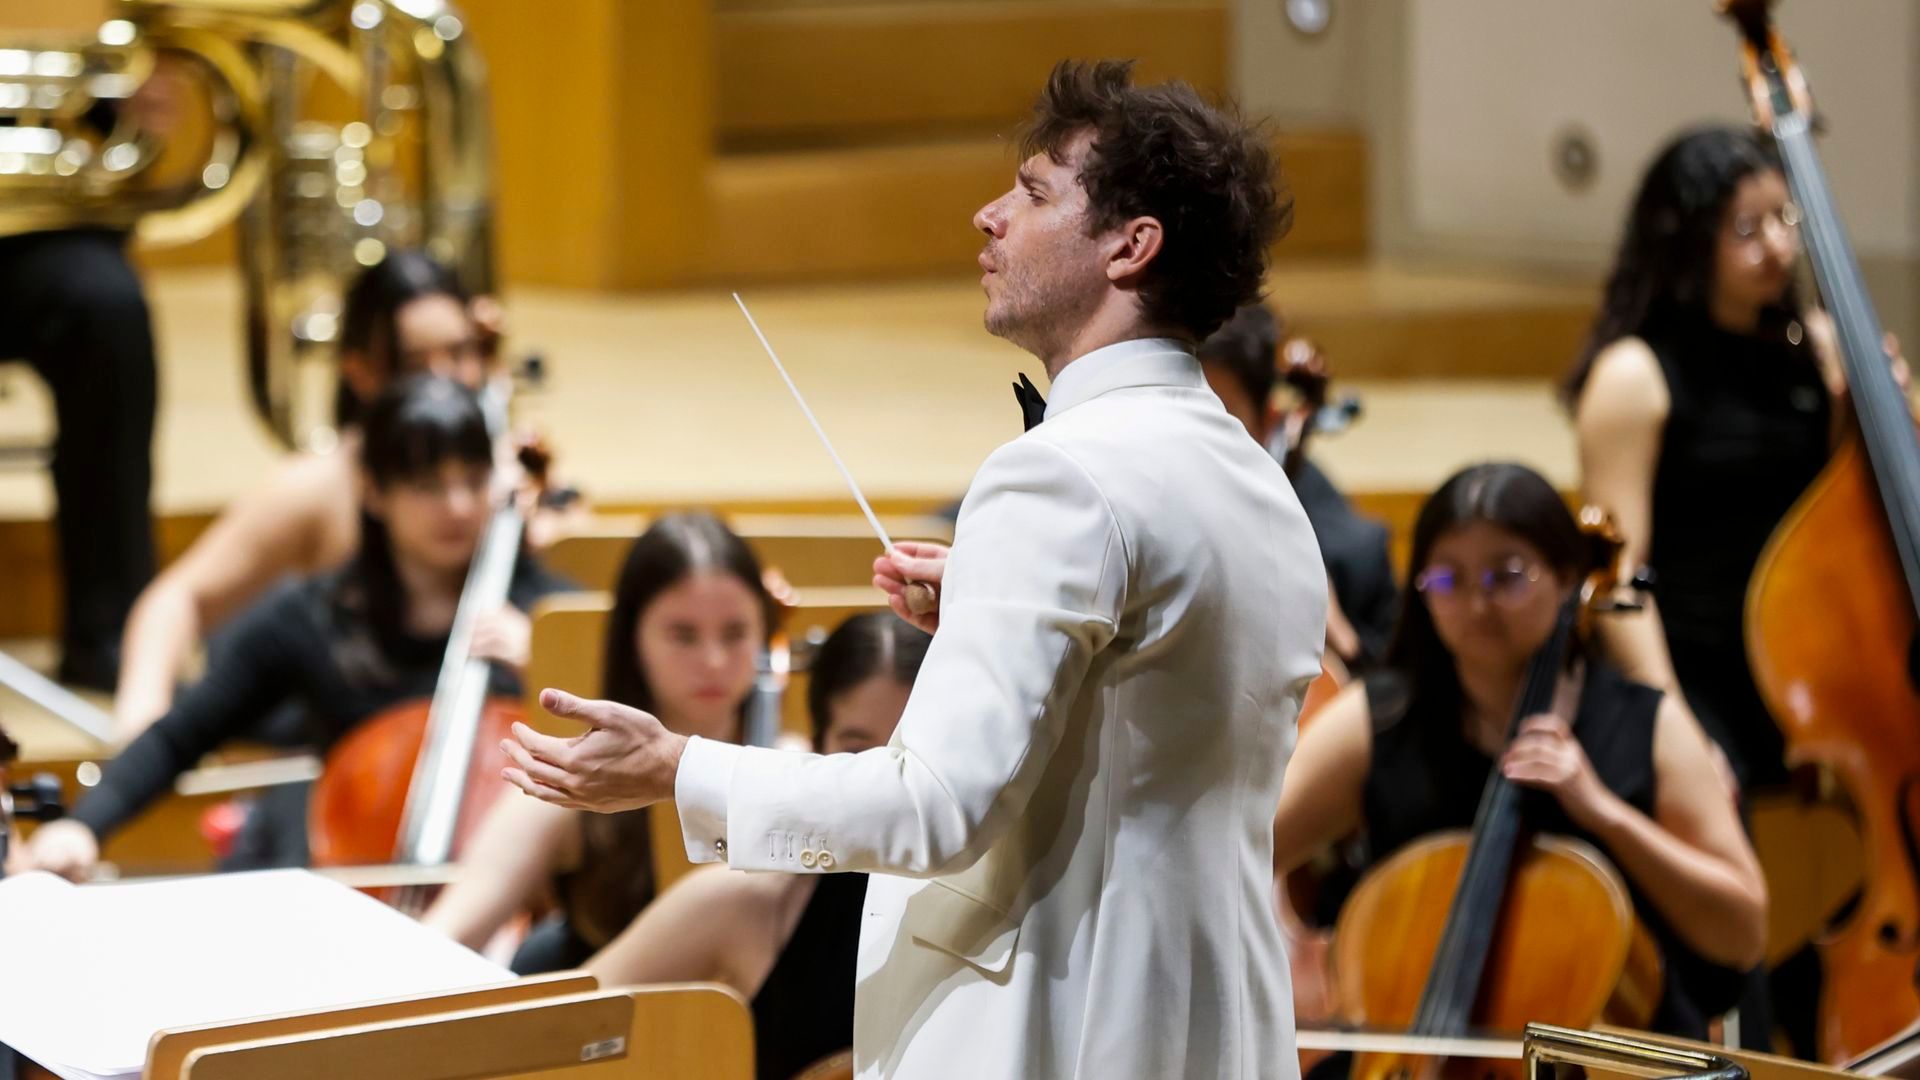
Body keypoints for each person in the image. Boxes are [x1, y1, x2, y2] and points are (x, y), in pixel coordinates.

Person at [503, 59, 1326, 1079]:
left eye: (1031, 194)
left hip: (1059, 1031)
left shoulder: (1061, 477)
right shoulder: (1257, 479)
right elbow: (1153, 712)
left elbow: (935, 807)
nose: (989, 217)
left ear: (1130, 245)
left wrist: (679, 769)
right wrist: (989, 615)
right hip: (1213, 1034)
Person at [1276, 462, 1766, 1044]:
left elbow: (1742, 932)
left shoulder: (1648, 724)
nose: (1477, 604)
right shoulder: (1377, 719)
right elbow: (1247, 848)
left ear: (1566, 578)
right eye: (1447, 581)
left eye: (1506, 577)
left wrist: (1602, 810)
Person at [20, 375, 570, 879]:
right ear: (374, 490)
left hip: (516, 886)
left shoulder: (548, 612)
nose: (457, 506)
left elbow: (629, 748)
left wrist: (553, 666)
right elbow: (178, 736)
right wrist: (83, 825)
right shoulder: (314, 616)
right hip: (353, 880)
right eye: (427, 485)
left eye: (473, 482)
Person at [111, 250, 532, 740]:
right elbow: (177, 600)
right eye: (416, 364)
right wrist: (140, 721)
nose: (448, 382)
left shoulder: (500, 473)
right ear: (360, 373)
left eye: (462, 354)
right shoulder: (316, 488)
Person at [422, 511, 776, 973]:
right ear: (634, 641)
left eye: (735, 633)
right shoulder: (575, 775)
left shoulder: (793, 763)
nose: (713, 660)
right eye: (683, 635)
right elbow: (448, 932)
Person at [585, 612, 930, 1080]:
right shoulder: (750, 902)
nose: (883, 792)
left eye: (907, 760)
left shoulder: (1011, 910)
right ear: (816, 748)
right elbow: (554, 1028)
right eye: (856, 758)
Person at [0, 62, 186, 690]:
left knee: (108, 306)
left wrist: (131, 118)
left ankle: (108, 631)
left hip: (29, 230)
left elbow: (90, 137)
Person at [1198, 303, 1397, 670]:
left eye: (1214, 420)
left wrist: (1340, 640)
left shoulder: (1355, 554)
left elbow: (1399, 702)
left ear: (1269, 420)